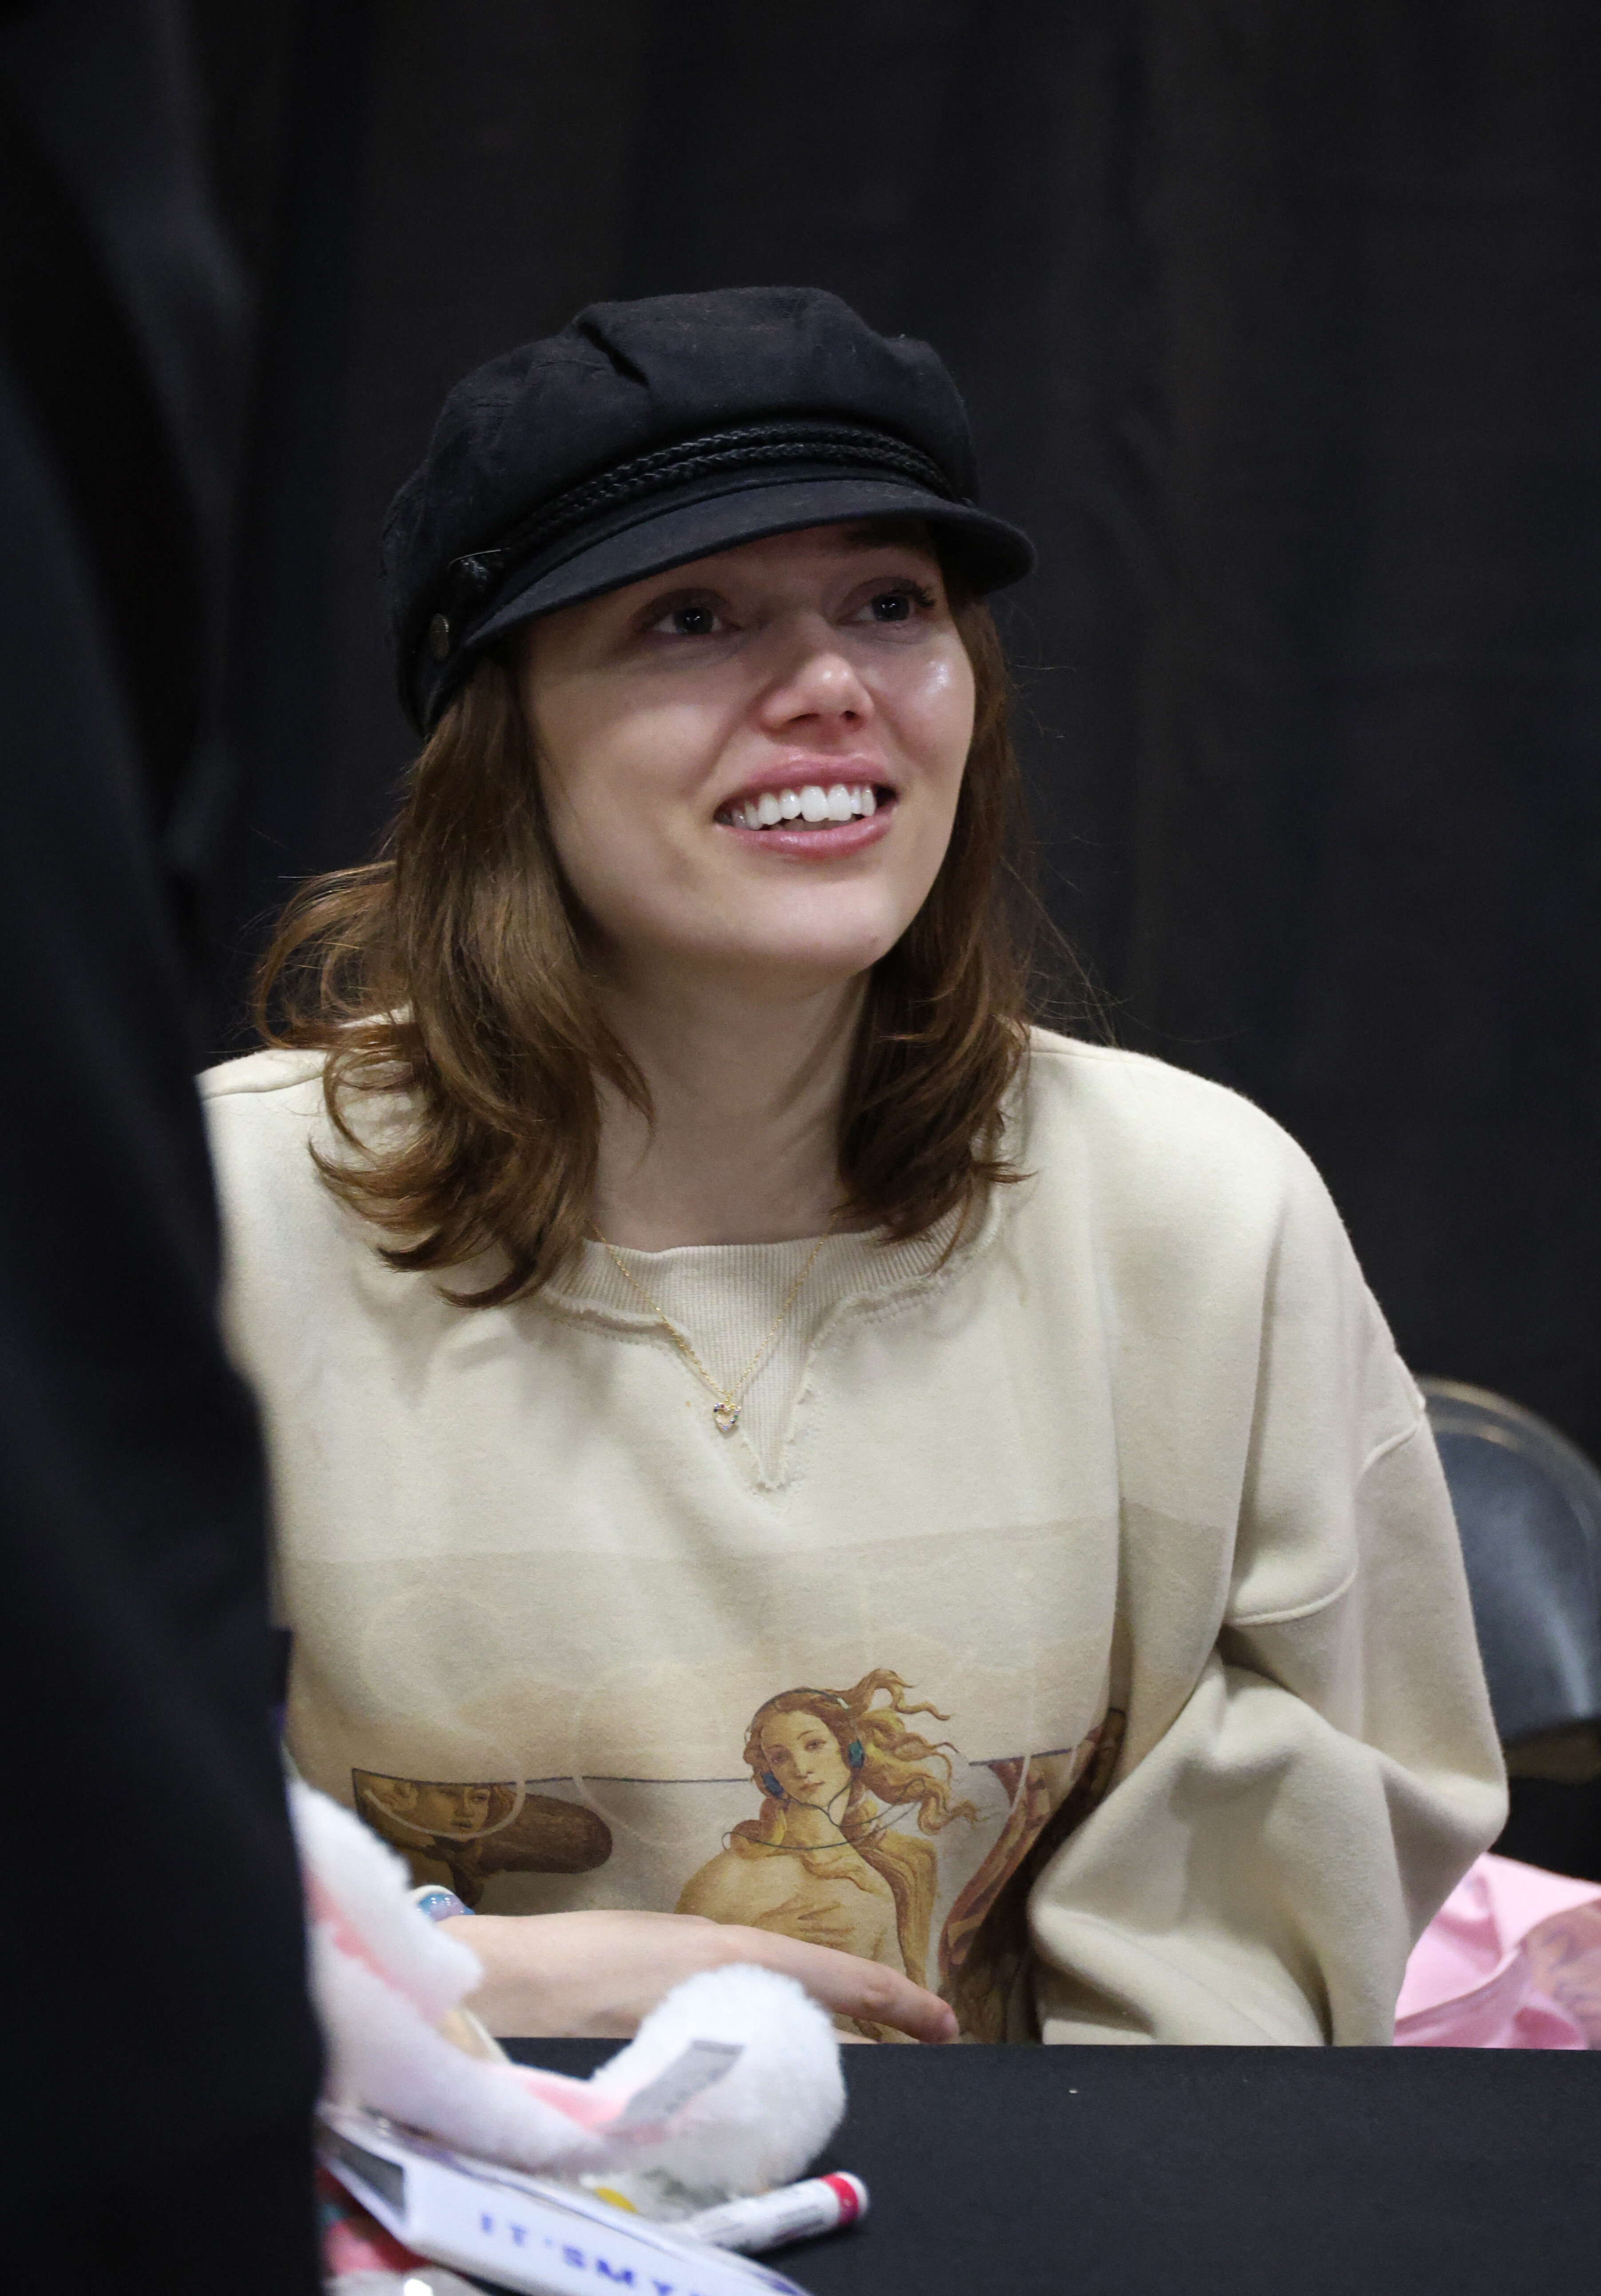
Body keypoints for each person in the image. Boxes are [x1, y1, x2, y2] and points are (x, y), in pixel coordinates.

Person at [203, 285, 1506, 2046]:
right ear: (498, 733)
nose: (828, 687)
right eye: (691, 616)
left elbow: (1282, 1893)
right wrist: (454, 1986)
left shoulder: (1198, 1214)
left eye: (891, 604)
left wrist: (1012, 2169)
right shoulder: (213, 1224)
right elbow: (76, 1847)